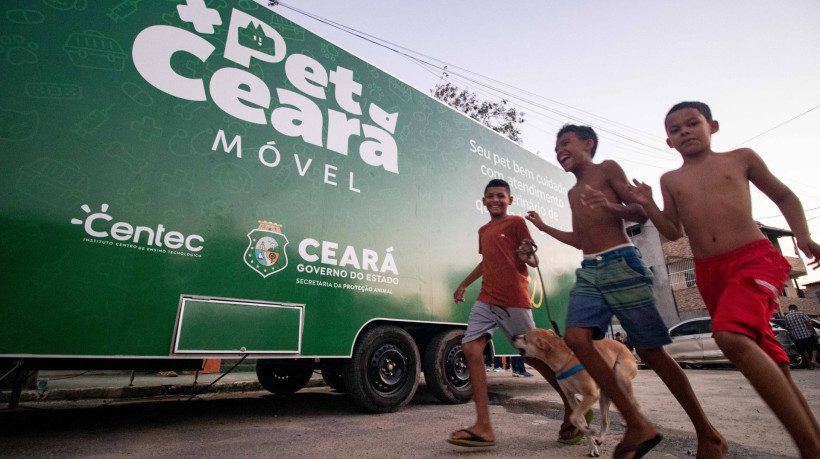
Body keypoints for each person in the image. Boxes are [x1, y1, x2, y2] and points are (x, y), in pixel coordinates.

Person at [628, 101, 820, 457]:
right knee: (771, 360)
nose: (684, 131)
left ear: (712, 126)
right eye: (675, 129)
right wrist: (649, 205)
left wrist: (802, 235)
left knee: (730, 336)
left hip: (754, 261)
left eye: (692, 123)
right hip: (709, 273)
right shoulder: (670, 179)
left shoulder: (740, 158)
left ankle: (810, 450)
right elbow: (671, 233)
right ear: (669, 142)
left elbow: (784, 195)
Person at [526, 124, 727, 459]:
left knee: (651, 352)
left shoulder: (608, 169)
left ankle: (708, 434)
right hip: (590, 268)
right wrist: (544, 227)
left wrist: (610, 206)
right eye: (555, 146)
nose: (559, 149)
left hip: (621, 261)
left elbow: (637, 210)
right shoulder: (573, 193)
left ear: (587, 143)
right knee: (576, 339)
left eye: (565, 142)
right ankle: (637, 424)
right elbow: (580, 239)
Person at [448, 178, 575, 448]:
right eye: (490, 196)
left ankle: (572, 407)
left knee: (534, 358)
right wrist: (463, 284)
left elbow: (532, 258)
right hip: (486, 298)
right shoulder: (483, 230)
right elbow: (486, 262)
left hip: (514, 299)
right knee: (471, 349)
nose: (495, 200)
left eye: (500, 196)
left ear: (510, 200)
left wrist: (528, 256)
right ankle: (483, 427)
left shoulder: (517, 222)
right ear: (483, 201)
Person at [785, 304, 820, 369]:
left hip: (797, 337)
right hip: (807, 334)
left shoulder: (787, 317)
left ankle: (810, 365)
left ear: (789, 309)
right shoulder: (801, 313)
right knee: (814, 347)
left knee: (804, 350)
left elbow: (788, 327)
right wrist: (814, 333)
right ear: (795, 308)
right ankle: (813, 359)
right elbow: (809, 324)